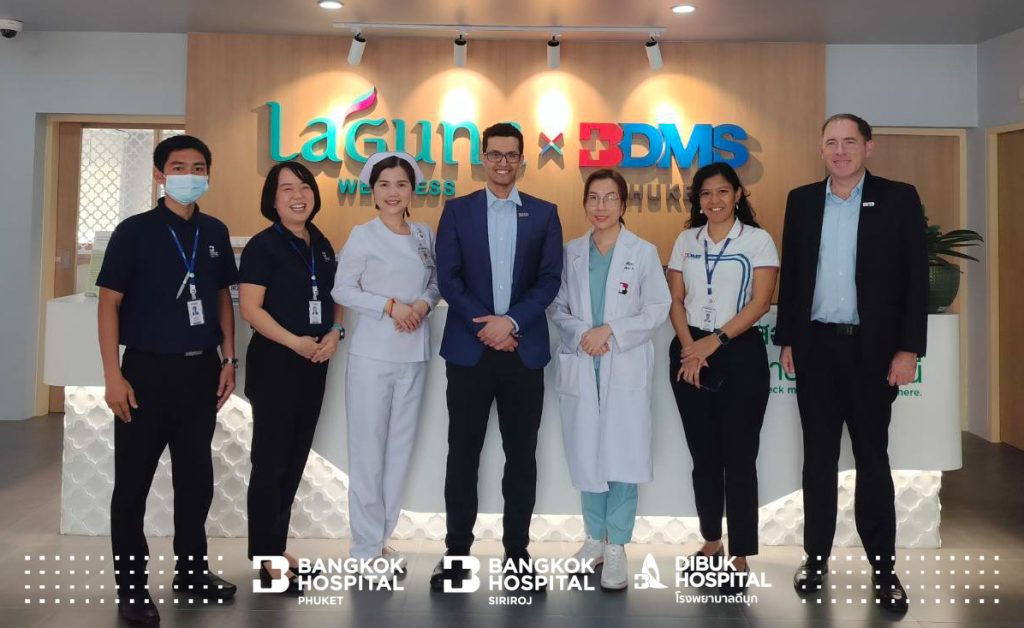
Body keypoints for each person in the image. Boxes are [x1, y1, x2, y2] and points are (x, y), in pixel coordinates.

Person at [775, 113, 927, 613]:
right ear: (820, 149)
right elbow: (794, 276)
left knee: (872, 459)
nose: (840, 151)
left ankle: (883, 569)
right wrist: (788, 339)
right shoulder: (801, 201)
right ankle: (815, 557)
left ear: (868, 147)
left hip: (873, 353)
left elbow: (915, 277)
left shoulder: (898, 198)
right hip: (816, 349)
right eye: (831, 143)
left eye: (849, 142)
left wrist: (908, 349)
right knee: (817, 459)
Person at [97, 135, 239, 625]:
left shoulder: (214, 231)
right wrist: (112, 376)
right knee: (132, 487)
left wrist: (229, 358)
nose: (189, 175)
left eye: (199, 167)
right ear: (160, 174)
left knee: (196, 481)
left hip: (200, 372)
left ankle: (192, 571)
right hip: (145, 374)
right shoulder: (133, 232)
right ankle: (132, 588)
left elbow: (220, 297)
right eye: (179, 167)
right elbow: (108, 303)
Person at [430, 122, 563, 590]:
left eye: (511, 155)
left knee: (521, 456)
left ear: (522, 161)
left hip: (523, 351)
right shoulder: (458, 210)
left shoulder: (544, 214)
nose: (503, 162)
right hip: (470, 351)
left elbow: (549, 279)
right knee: (462, 454)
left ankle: (517, 554)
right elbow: (448, 278)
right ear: (482, 159)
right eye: (495, 154)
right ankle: (456, 554)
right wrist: (487, 327)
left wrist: (512, 323)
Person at [550, 169, 670, 590]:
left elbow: (657, 307)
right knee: (587, 453)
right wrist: (584, 334)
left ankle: (616, 545)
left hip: (623, 364)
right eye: (593, 198)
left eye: (610, 198)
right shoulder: (571, 252)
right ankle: (593, 540)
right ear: (585, 203)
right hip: (584, 361)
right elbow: (557, 305)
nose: (601, 206)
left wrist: (611, 332)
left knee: (622, 456)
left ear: (623, 204)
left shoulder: (643, 252)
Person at [667, 162, 779, 595]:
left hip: (739, 353)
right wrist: (690, 348)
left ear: (737, 195)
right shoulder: (686, 241)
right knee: (704, 455)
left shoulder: (757, 241)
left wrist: (712, 343)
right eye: (705, 194)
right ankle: (711, 540)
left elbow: (761, 302)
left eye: (722, 192)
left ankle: (741, 552)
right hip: (689, 352)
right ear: (697, 201)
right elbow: (676, 300)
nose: (714, 200)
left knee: (740, 457)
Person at [332, 152, 440, 581]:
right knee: (368, 453)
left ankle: (381, 539)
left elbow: (435, 283)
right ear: (372, 191)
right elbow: (343, 290)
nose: (393, 193)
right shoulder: (363, 235)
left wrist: (421, 305)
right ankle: (363, 549)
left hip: (414, 354)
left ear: (412, 189)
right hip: (373, 356)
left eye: (401, 184)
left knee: (398, 452)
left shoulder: (424, 234)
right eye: (384, 185)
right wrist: (390, 306)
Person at [239, 161, 344, 594]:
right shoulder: (262, 246)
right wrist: (294, 342)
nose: (298, 196)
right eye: (287, 189)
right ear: (273, 198)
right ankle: (266, 559)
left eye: (304, 187)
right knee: (270, 463)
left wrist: (335, 332)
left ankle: (277, 550)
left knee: (295, 458)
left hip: (313, 364)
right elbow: (251, 309)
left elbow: (336, 296)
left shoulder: (320, 243)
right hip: (276, 364)